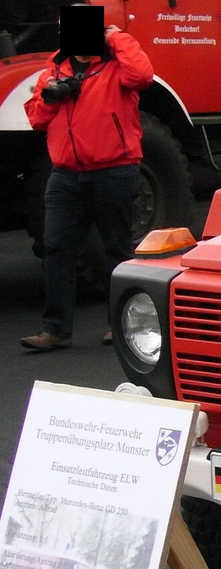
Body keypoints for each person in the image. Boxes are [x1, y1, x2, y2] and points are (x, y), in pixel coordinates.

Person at [21, 19, 154, 350]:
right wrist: (52, 97)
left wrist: (115, 36)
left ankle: (123, 326)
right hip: (65, 174)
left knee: (118, 251)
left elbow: (142, 75)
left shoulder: (116, 66)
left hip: (114, 169)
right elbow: (36, 119)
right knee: (56, 248)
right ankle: (56, 330)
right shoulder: (53, 71)